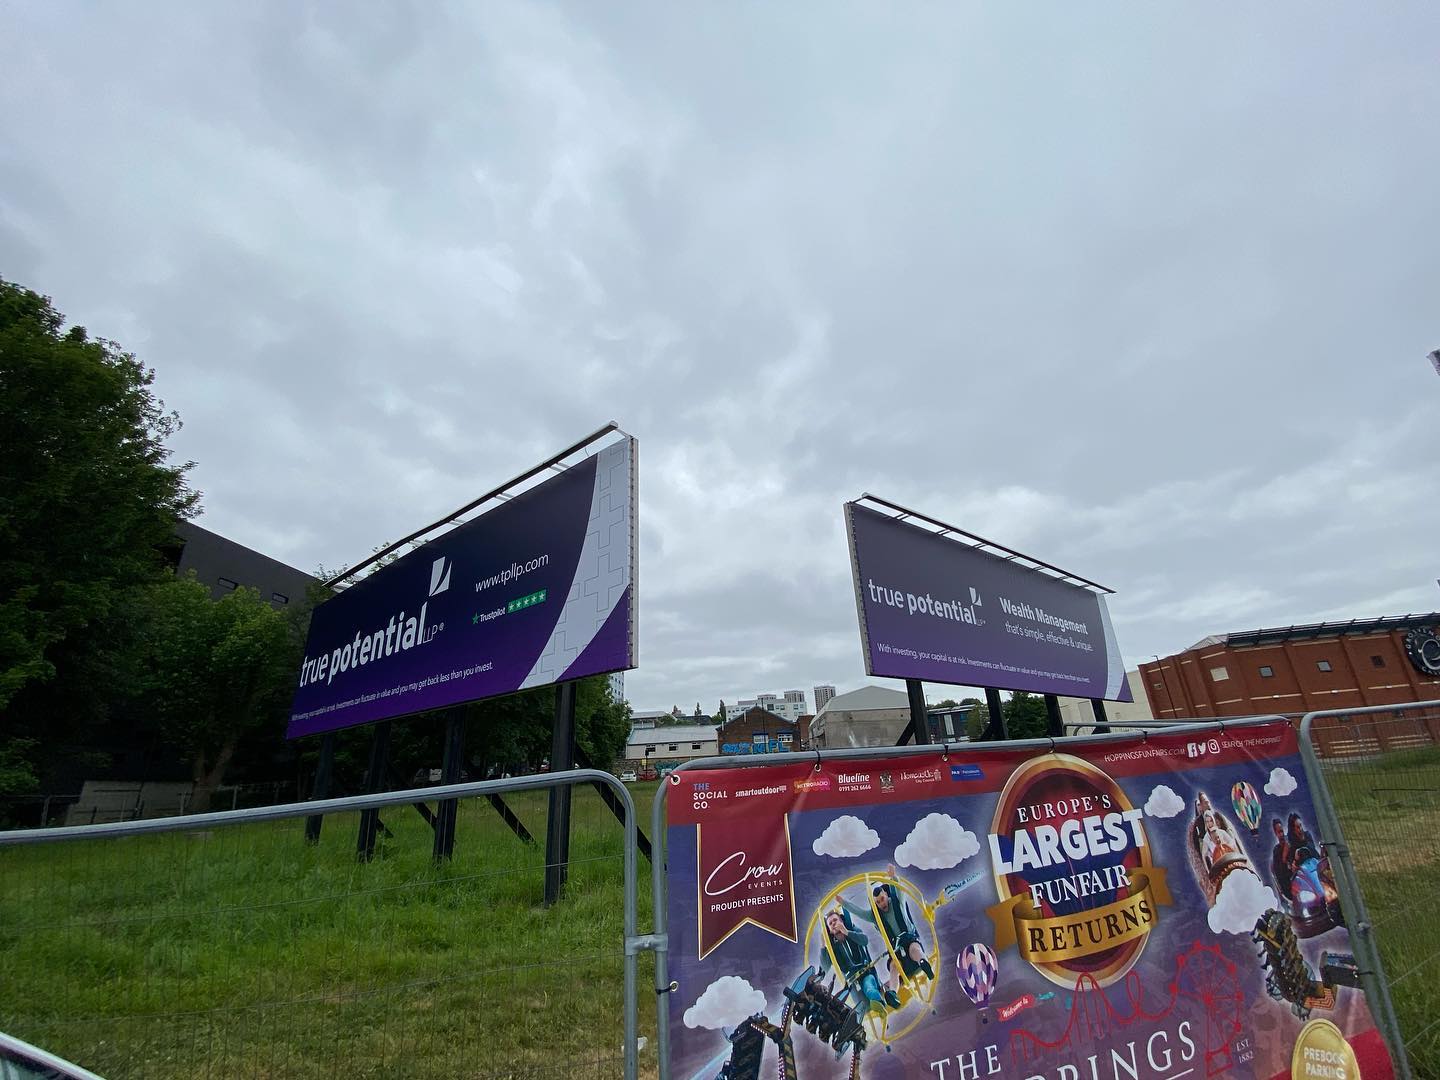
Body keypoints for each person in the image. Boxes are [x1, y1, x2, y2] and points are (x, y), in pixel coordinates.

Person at [843, 867, 935, 991]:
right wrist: (843, 902)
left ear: (886, 895)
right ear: (875, 904)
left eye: (882, 899)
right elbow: (858, 912)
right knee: (894, 966)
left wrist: (893, 876)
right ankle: (893, 992)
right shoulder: (874, 916)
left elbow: (898, 887)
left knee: (915, 948)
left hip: (909, 940)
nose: (882, 903)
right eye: (878, 902)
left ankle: (924, 963)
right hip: (896, 950)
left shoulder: (898, 901)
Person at [821, 908, 900, 1010]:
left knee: (869, 987)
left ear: (841, 920)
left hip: (866, 973)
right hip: (853, 983)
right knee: (862, 1003)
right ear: (829, 931)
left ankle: (880, 1004)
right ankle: (876, 1005)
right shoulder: (832, 948)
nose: (833, 924)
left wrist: (846, 932)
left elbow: (864, 941)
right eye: (830, 923)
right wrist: (823, 946)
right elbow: (824, 967)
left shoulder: (853, 930)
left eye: (835, 920)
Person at [1270, 818, 1293, 896]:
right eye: (1279, 832)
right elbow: (1280, 874)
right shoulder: (1276, 851)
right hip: (1289, 884)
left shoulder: (1291, 841)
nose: (1282, 835)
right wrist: (1284, 856)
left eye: (1282, 831)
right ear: (1275, 833)